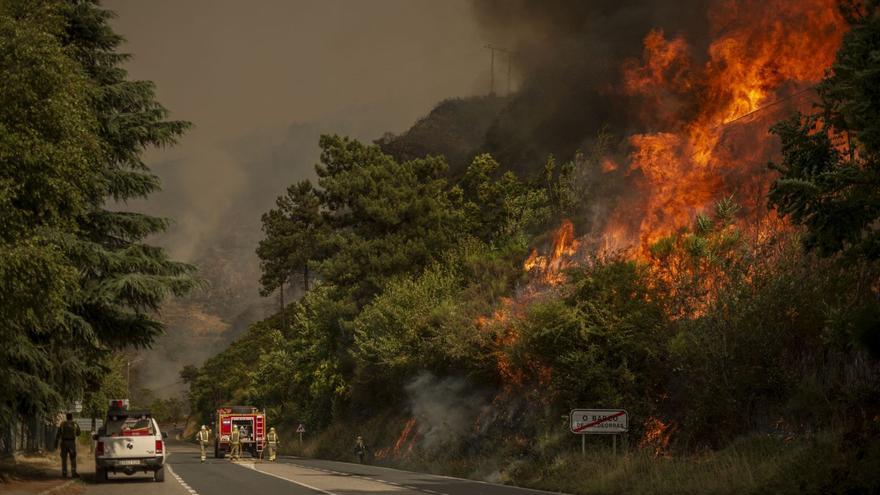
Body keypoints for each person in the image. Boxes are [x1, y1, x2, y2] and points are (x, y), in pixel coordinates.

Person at [54, 413, 80, 478]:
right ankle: (73, 473)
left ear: (66, 417)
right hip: (71, 443)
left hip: (64, 443)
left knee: (64, 458)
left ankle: (64, 473)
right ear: (71, 417)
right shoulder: (74, 424)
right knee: (73, 458)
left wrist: (56, 444)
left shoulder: (62, 424)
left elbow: (58, 435)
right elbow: (78, 433)